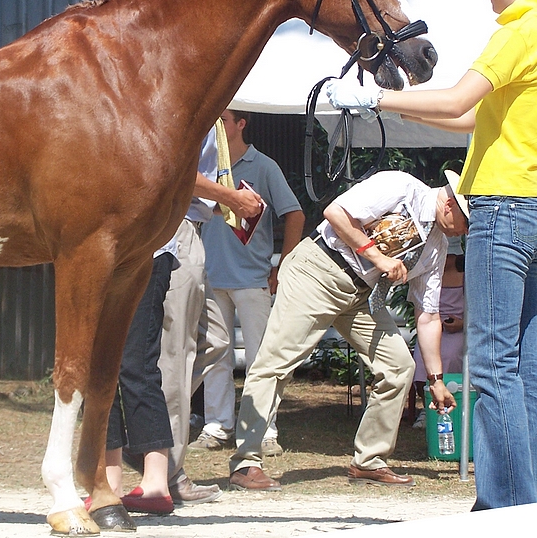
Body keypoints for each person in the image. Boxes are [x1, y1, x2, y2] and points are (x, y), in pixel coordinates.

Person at [327, 0, 537, 510]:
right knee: (527, 367)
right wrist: (391, 109)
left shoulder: (517, 32)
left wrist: (375, 99)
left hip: (504, 208)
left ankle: (505, 507)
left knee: (493, 366)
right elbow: (470, 121)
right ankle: (526, 499)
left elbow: (451, 100)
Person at [228, 170, 466, 492]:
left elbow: (428, 315)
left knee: (399, 366)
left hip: (359, 295)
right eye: (467, 223)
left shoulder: (436, 245)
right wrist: (378, 257)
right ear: (451, 204)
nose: (465, 233)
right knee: (276, 361)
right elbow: (336, 213)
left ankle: (369, 460)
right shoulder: (401, 187)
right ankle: (246, 462)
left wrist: (436, 380)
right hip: (319, 269)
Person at [157, 126, 263, 505]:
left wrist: (225, 203)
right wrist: (231, 198)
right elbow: (181, 174)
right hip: (177, 233)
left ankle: (148, 423)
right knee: (177, 355)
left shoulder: (213, 121)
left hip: (195, 230)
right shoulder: (198, 112)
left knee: (216, 341)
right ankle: (168, 470)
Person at [192, 110, 304, 455]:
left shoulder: (264, 165)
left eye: (223, 120)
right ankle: (217, 426)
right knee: (215, 355)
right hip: (210, 275)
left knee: (261, 358)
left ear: (242, 124)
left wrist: (283, 266)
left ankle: (264, 430)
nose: (218, 127)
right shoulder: (206, 166)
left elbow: (295, 214)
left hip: (252, 276)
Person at [104, 241, 176, 515]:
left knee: (136, 364)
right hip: (100, 249)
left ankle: (156, 483)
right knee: (98, 368)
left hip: (148, 248)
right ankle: (108, 482)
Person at [412, 237, 465, 429]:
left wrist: (461, 323)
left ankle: (451, 399)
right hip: (434, 327)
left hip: (460, 330)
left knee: (450, 353)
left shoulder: (466, 275)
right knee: (420, 356)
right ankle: (426, 406)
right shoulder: (430, 272)